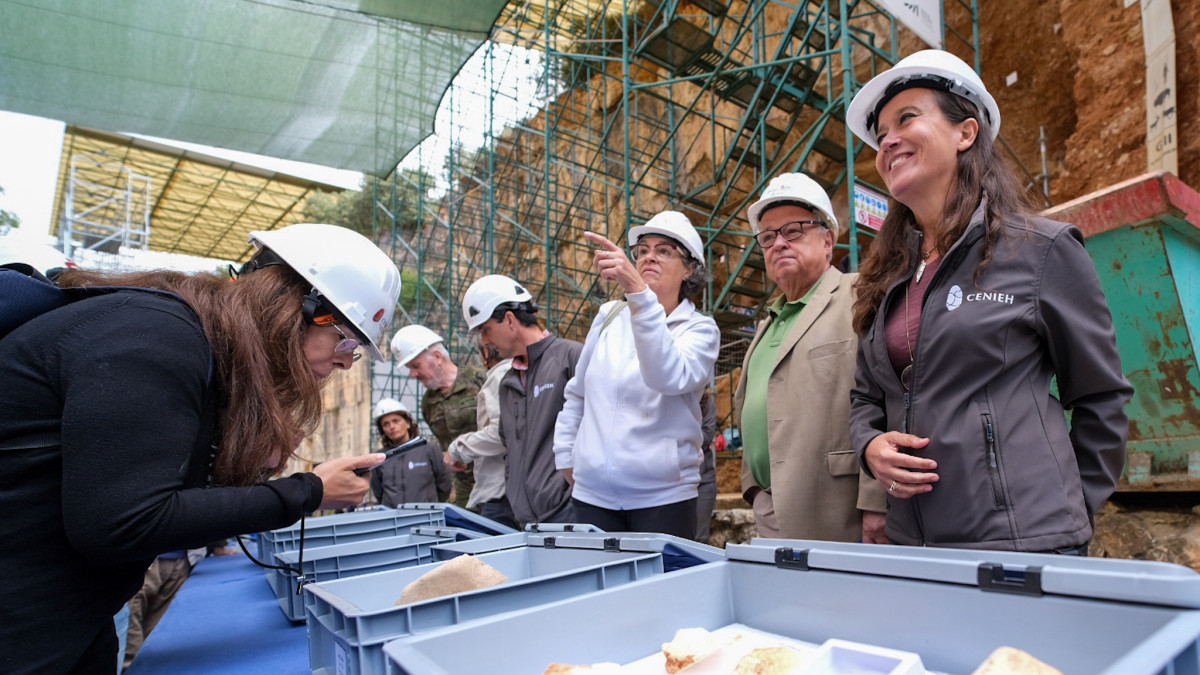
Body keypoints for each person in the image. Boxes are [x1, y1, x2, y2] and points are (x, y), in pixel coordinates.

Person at [0, 223, 400, 673]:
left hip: (66, 623)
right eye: (346, 339)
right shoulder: (153, 336)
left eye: (356, 350)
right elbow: (123, 524)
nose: (346, 360)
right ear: (292, 306)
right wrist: (309, 491)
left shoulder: (192, 346)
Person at [845, 50, 1133, 552]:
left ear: (966, 132)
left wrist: (1067, 510)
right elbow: (865, 397)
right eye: (881, 132)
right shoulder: (887, 277)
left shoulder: (1041, 251)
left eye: (906, 118)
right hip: (915, 543)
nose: (887, 140)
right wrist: (870, 445)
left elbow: (1100, 396)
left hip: (1024, 544)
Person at [734, 173, 888, 542]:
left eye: (794, 231)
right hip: (770, 507)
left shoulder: (860, 296)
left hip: (839, 511)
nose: (779, 243)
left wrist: (878, 499)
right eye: (767, 237)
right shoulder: (769, 323)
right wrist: (752, 484)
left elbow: (890, 397)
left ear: (828, 240)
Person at [553, 211, 720, 538]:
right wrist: (566, 456)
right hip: (592, 496)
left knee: (660, 574)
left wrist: (640, 296)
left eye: (664, 251)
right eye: (642, 250)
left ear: (689, 269)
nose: (649, 257)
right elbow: (578, 393)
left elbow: (667, 377)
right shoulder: (609, 316)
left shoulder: (700, 329)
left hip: (664, 497)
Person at [462, 274, 582, 527]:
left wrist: (571, 494)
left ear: (509, 319)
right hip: (526, 521)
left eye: (486, 330)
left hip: (570, 514)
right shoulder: (508, 382)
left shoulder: (571, 358)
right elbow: (511, 451)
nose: (485, 342)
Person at [391, 324, 485, 510]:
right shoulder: (428, 403)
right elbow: (444, 445)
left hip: (497, 480)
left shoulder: (480, 378)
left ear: (437, 356)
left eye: (416, 366)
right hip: (466, 488)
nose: (413, 375)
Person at [445, 344, 518, 528]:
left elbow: (501, 432)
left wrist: (458, 449)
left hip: (499, 492)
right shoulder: (527, 373)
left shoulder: (500, 375)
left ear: (486, 351)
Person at [368, 398, 451, 507]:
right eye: (386, 424)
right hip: (393, 516)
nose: (391, 427)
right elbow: (378, 492)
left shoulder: (429, 449)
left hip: (425, 515)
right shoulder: (380, 458)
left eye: (396, 421)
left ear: (407, 423)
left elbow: (444, 485)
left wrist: (430, 505)